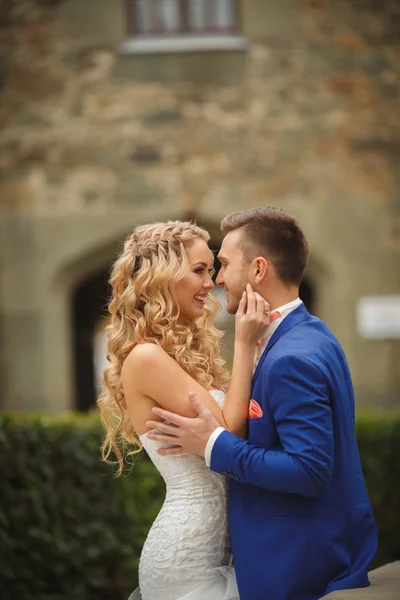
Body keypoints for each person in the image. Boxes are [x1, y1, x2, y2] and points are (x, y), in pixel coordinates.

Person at [145, 207, 378, 600]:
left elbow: (308, 469)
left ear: (257, 270)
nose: (217, 280)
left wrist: (213, 444)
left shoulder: (291, 357)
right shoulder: (312, 333)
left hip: (293, 564)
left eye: (221, 265)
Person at [97, 220, 270, 600]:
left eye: (210, 270)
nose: (211, 283)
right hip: (186, 562)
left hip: (224, 551)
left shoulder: (186, 351)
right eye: (198, 271)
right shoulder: (146, 357)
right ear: (162, 277)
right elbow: (229, 433)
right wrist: (244, 342)